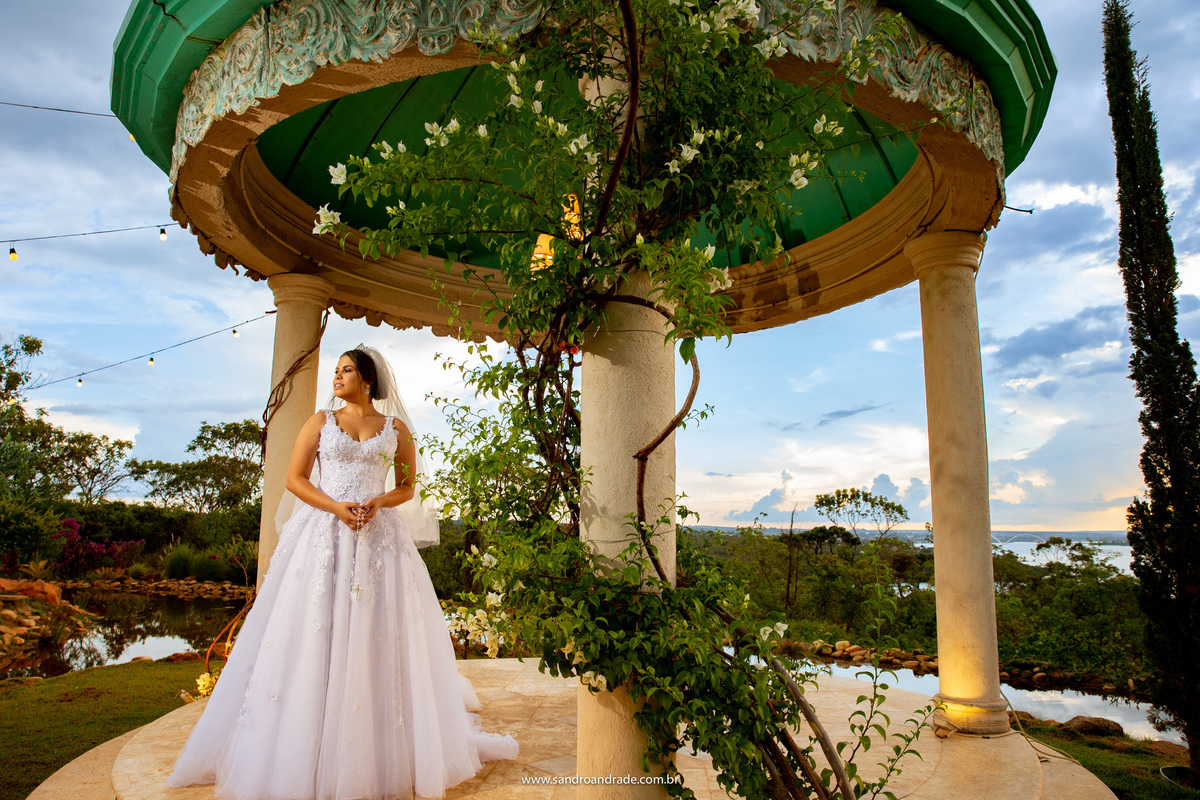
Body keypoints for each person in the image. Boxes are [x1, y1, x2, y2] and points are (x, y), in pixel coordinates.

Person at [167, 345, 518, 799]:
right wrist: (335, 507)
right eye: (336, 370)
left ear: (367, 379)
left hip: (379, 540)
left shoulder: (395, 429)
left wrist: (380, 501)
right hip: (322, 536)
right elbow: (295, 479)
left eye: (346, 370)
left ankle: (374, 744)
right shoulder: (320, 421)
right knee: (316, 630)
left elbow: (407, 487)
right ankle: (305, 742)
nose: (337, 376)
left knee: (377, 632)